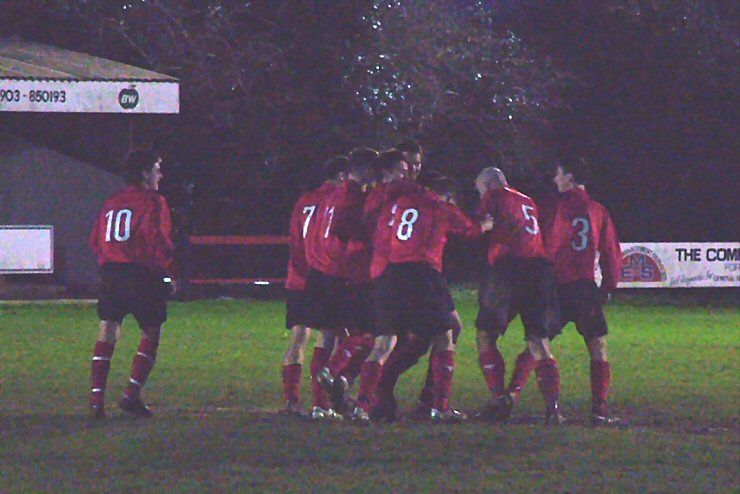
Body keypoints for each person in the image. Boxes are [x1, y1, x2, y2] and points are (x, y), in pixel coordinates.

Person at [350, 169, 493, 425]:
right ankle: (440, 406)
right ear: (448, 196)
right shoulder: (439, 205)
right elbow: (471, 230)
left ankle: (362, 407)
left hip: (390, 275)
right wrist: (488, 224)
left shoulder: (399, 202)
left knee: (385, 342)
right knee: (445, 335)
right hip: (423, 275)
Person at [87, 149, 175, 418]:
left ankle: (96, 401)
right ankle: (131, 395)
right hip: (140, 274)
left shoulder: (112, 201)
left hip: (111, 273)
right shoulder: (153, 201)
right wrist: (166, 275)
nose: (160, 174)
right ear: (145, 172)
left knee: (107, 333)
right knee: (151, 333)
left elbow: (94, 241)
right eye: (157, 168)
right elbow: (157, 240)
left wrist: (109, 260)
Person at [474, 167, 563, 424]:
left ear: (489, 185)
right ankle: (553, 409)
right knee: (538, 339)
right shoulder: (527, 200)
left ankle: (499, 398)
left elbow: (482, 224)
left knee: (486, 333)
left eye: (479, 188)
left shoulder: (494, 196)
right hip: (539, 270)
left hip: (508, 269)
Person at [541, 157, 622, 425]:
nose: (555, 179)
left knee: (538, 342)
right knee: (597, 346)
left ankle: (547, 408)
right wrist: (608, 285)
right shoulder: (598, 210)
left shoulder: (555, 207)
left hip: (558, 285)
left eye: (558, 174)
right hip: (585, 287)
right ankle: (598, 411)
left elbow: (548, 243)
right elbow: (610, 252)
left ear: (570, 177)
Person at [303, 149, 376, 419]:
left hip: (321, 272)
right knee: (370, 332)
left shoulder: (332, 195)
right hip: (341, 274)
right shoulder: (354, 196)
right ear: (367, 170)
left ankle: (322, 404)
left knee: (328, 336)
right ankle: (334, 374)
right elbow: (347, 233)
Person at [280, 156, 348, 415]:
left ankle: (291, 400)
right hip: (324, 275)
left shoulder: (305, 200)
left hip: (298, 276)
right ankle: (323, 401)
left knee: (298, 338)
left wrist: (299, 270)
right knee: (330, 337)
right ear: (343, 176)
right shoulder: (337, 199)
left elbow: (295, 239)